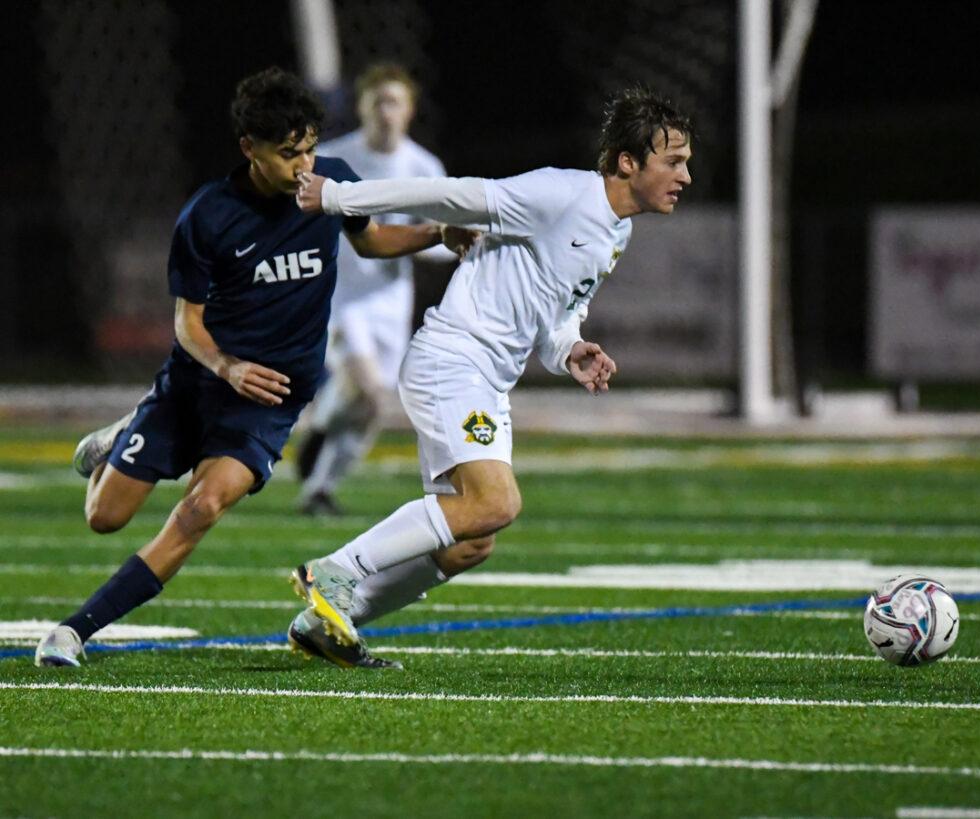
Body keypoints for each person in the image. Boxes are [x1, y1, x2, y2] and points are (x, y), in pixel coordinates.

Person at [34, 66, 474, 670]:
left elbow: (371, 240)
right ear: (249, 148)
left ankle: (72, 631)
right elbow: (187, 323)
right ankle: (125, 434)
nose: (304, 166)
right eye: (289, 154)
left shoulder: (332, 184)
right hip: (197, 384)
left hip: (270, 401)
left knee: (201, 509)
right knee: (104, 518)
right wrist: (228, 367)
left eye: (310, 150)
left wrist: (437, 233)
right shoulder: (207, 215)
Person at [287, 85, 693, 663]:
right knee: (496, 502)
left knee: (471, 542)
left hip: (487, 379)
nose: (685, 176)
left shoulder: (616, 230)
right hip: (453, 360)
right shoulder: (560, 193)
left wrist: (570, 349)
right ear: (629, 162)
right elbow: (449, 195)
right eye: (673, 161)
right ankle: (334, 571)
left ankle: (328, 623)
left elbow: (559, 312)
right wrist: (339, 196)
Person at [296, 63, 456, 517]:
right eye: (377, 102)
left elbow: (441, 236)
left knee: (371, 404)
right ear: (362, 108)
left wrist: (443, 243)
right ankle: (321, 431)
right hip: (339, 298)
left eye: (394, 102)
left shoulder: (423, 167)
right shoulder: (333, 161)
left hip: (390, 301)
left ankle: (319, 486)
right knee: (365, 388)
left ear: (409, 110)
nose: (386, 112)